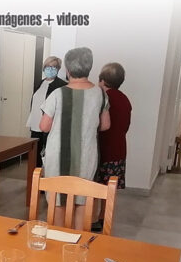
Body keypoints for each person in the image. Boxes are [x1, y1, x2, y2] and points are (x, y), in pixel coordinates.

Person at [39, 47, 110, 229]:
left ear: (68, 70)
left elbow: (44, 127)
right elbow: (105, 125)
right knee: (82, 199)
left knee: (58, 199)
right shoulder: (100, 94)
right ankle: (79, 240)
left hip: (59, 157)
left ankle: (58, 237)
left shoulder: (57, 94)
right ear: (89, 68)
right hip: (86, 155)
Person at [93, 62, 131, 232]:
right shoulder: (124, 99)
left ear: (101, 79)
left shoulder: (102, 98)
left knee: (95, 186)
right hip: (119, 149)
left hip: (102, 149)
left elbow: (96, 124)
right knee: (110, 187)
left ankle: (92, 218)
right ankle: (104, 218)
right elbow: (126, 126)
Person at [26, 56, 67, 167]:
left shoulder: (62, 85)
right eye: (48, 67)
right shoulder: (39, 83)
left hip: (49, 125)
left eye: (54, 67)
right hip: (35, 125)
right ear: (44, 68)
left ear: (58, 69)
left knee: (48, 156)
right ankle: (35, 175)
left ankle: (47, 176)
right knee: (35, 156)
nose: (50, 69)